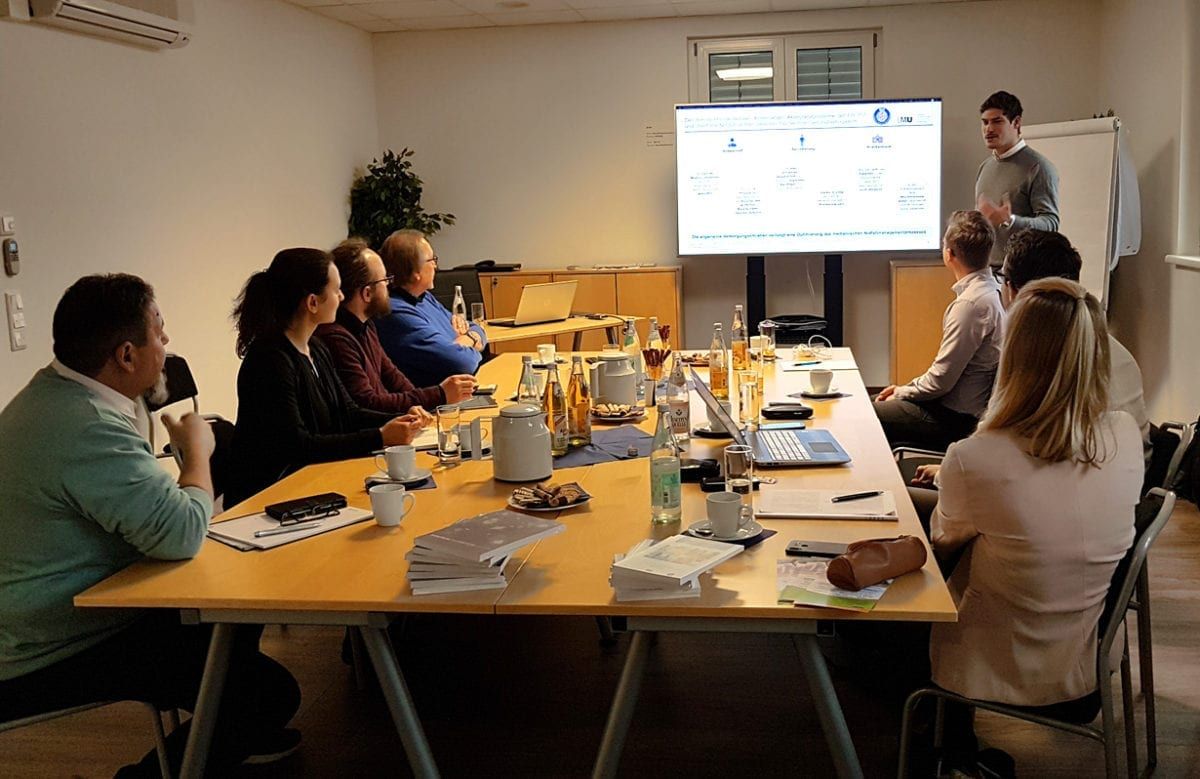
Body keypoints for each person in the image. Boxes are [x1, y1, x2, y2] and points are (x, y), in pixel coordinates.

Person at [0, 274, 300, 776]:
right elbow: (181, 533)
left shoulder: (54, 397)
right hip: (49, 644)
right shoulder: (88, 426)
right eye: (159, 332)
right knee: (268, 694)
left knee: (237, 614)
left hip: (56, 614)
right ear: (126, 355)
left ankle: (223, 722)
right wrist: (197, 452)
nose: (166, 342)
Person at [923, 278, 1143, 768]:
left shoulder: (975, 457)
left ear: (1014, 356)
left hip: (997, 667)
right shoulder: (1124, 436)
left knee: (888, 619)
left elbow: (943, 540)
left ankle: (944, 753)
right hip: (1089, 659)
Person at [908, 229, 1151, 518]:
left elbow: (1010, 457)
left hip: (1051, 508)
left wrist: (952, 472)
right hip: (1120, 506)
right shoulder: (1117, 353)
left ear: (1015, 291)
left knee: (903, 502)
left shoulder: (1036, 359)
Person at [227, 248, 426, 506]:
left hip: (308, 481)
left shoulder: (316, 348)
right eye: (336, 290)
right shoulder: (270, 361)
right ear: (312, 302)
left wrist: (401, 418)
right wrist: (381, 436)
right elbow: (298, 446)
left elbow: (347, 412)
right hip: (269, 496)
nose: (341, 297)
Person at [874, 210, 1006, 450]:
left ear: (949, 254)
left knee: (867, 414)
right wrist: (905, 390)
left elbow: (940, 383)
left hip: (954, 420)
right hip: (963, 410)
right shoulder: (994, 291)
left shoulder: (970, 305)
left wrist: (902, 392)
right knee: (877, 404)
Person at [317, 237, 477, 414]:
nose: (389, 285)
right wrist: (440, 394)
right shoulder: (336, 338)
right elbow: (368, 403)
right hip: (378, 429)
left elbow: (394, 378)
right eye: (384, 280)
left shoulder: (366, 326)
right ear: (367, 293)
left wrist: (420, 408)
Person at [375, 229, 487, 388]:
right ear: (416, 272)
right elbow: (463, 363)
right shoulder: (395, 312)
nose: (435, 265)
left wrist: (467, 338)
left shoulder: (424, 297)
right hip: (437, 399)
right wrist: (472, 341)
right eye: (432, 260)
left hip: (466, 387)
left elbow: (476, 328)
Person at [975, 90, 1061, 267]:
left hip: (1022, 272)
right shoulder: (985, 167)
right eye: (985, 122)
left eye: (997, 121)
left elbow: (1051, 223)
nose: (988, 129)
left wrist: (1010, 221)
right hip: (987, 270)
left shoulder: (1038, 167)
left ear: (1016, 123)